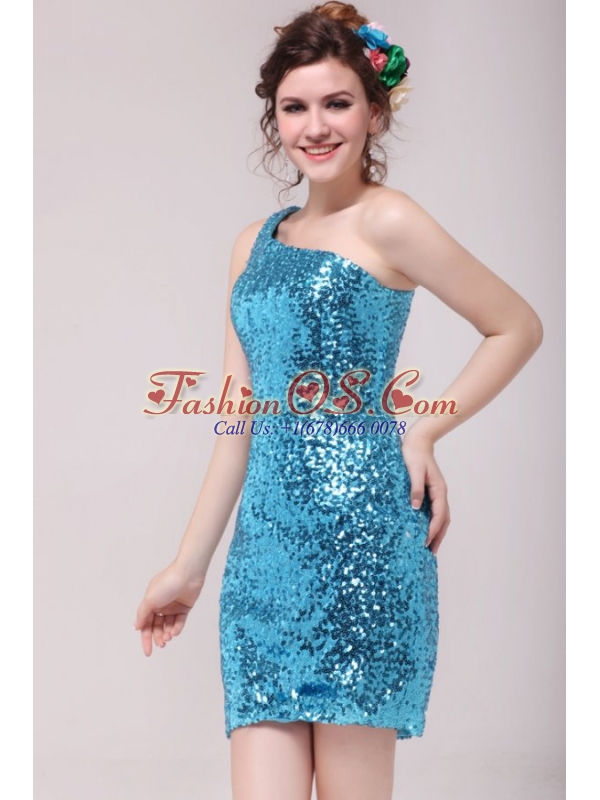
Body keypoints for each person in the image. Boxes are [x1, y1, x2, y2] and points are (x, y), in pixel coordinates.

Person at [134, 3, 543, 798]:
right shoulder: (252, 244)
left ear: (374, 112)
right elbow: (236, 421)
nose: (316, 126)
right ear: (275, 119)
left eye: (337, 103)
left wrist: (424, 433)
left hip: (365, 548)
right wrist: (188, 566)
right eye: (295, 107)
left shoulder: (388, 220)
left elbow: (516, 326)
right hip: (263, 559)